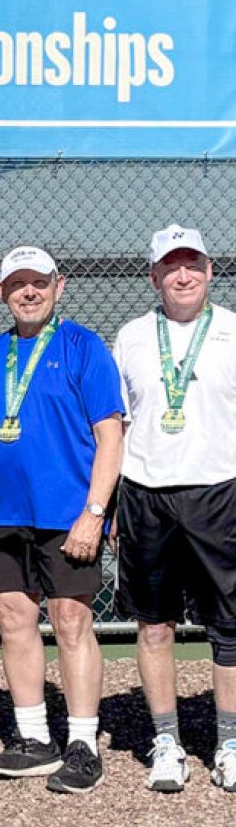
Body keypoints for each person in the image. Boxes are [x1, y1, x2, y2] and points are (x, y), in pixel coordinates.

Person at [0, 245, 124, 794]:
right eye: (18, 283)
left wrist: (94, 513)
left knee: (71, 622)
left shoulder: (83, 348)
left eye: (39, 282)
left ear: (59, 286)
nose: (29, 291)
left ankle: (82, 742)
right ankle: (33, 737)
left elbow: (110, 437)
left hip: (66, 515)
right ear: (0, 291)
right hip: (0, 514)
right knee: (13, 618)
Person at [113, 225, 236, 793]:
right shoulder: (132, 336)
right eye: (171, 266)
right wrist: (109, 505)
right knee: (154, 624)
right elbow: (118, 426)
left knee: (229, 629)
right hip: (146, 494)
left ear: (211, 271)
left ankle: (229, 741)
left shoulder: (233, 330)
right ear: (154, 276)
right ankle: (167, 740)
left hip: (221, 493)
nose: (183, 276)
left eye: (194, 265)